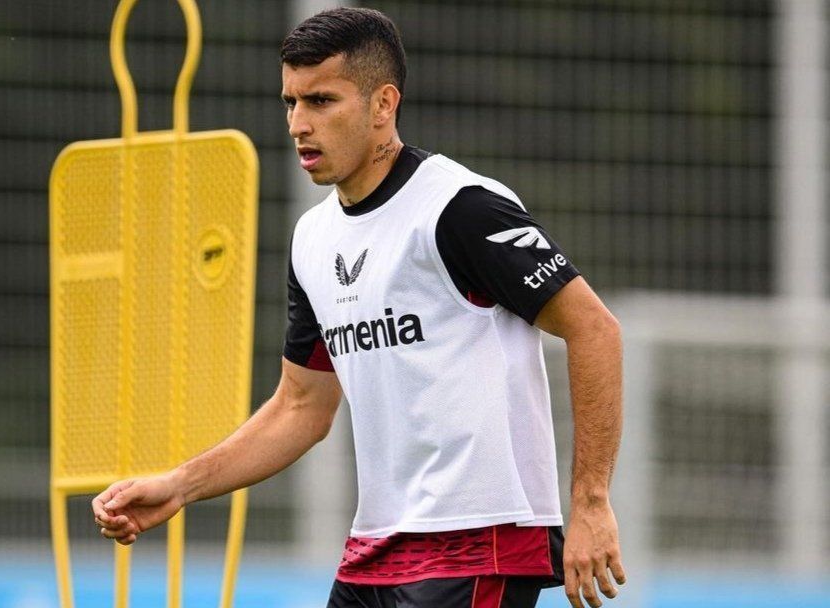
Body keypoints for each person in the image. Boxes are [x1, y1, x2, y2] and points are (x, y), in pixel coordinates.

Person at [93, 8, 625, 608]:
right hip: (374, 549)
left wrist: (591, 504)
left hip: (480, 543)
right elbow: (300, 407)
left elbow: (594, 329)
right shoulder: (312, 239)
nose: (299, 124)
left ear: (383, 105)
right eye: (291, 102)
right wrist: (179, 486)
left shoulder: (460, 208)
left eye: (321, 101)